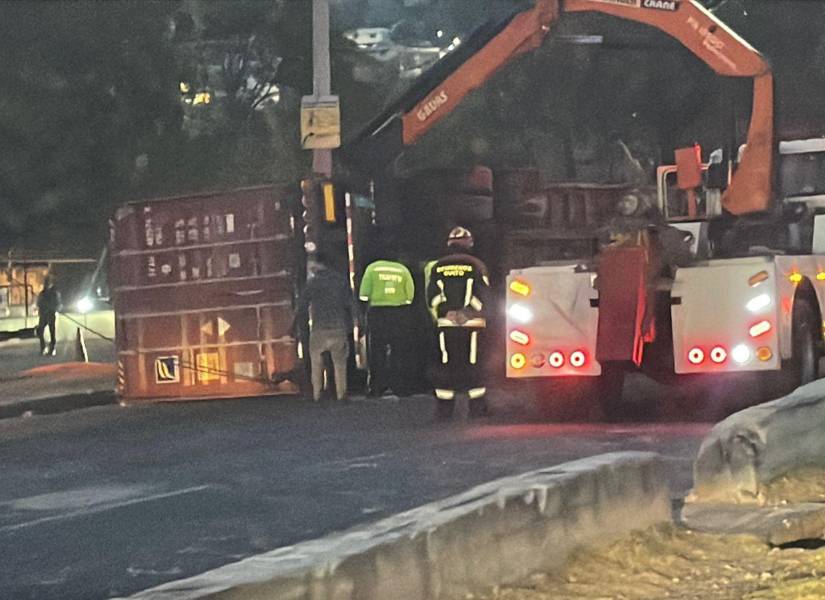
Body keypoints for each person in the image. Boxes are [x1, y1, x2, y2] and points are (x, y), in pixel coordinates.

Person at [425, 226, 490, 418]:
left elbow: (432, 296)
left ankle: (444, 410)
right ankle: (477, 408)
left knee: (446, 364)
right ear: (468, 243)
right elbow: (483, 294)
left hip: (446, 325)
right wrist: (466, 312)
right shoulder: (476, 265)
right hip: (472, 325)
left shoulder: (438, 267)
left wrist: (447, 312)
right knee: (473, 364)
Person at [296, 254, 354, 402]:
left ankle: (317, 394)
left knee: (316, 363)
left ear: (320, 265)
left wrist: (296, 326)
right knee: (340, 364)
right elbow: (350, 304)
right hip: (338, 328)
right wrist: (356, 323)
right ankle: (341, 394)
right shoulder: (340, 281)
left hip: (319, 329)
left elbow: (302, 306)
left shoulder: (313, 283)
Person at [359, 251, 415, 397]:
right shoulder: (402, 270)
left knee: (377, 351)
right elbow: (410, 296)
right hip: (399, 313)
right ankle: (401, 387)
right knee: (399, 350)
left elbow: (363, 295)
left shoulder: (372, 268)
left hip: (377, 313)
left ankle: (377, 387)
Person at [36, 276, 61, 356]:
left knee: (52, 331)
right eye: (46, 283)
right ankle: (43, 347)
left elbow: (57, 304)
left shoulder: (54, 294)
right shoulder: (42, 294)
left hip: (50, 314)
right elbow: (39, 303)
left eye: (48, 283)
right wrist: (42, 309)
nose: (46, 285)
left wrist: (52, 308)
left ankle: (52, 348)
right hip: (43, 315)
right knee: (40, 331)